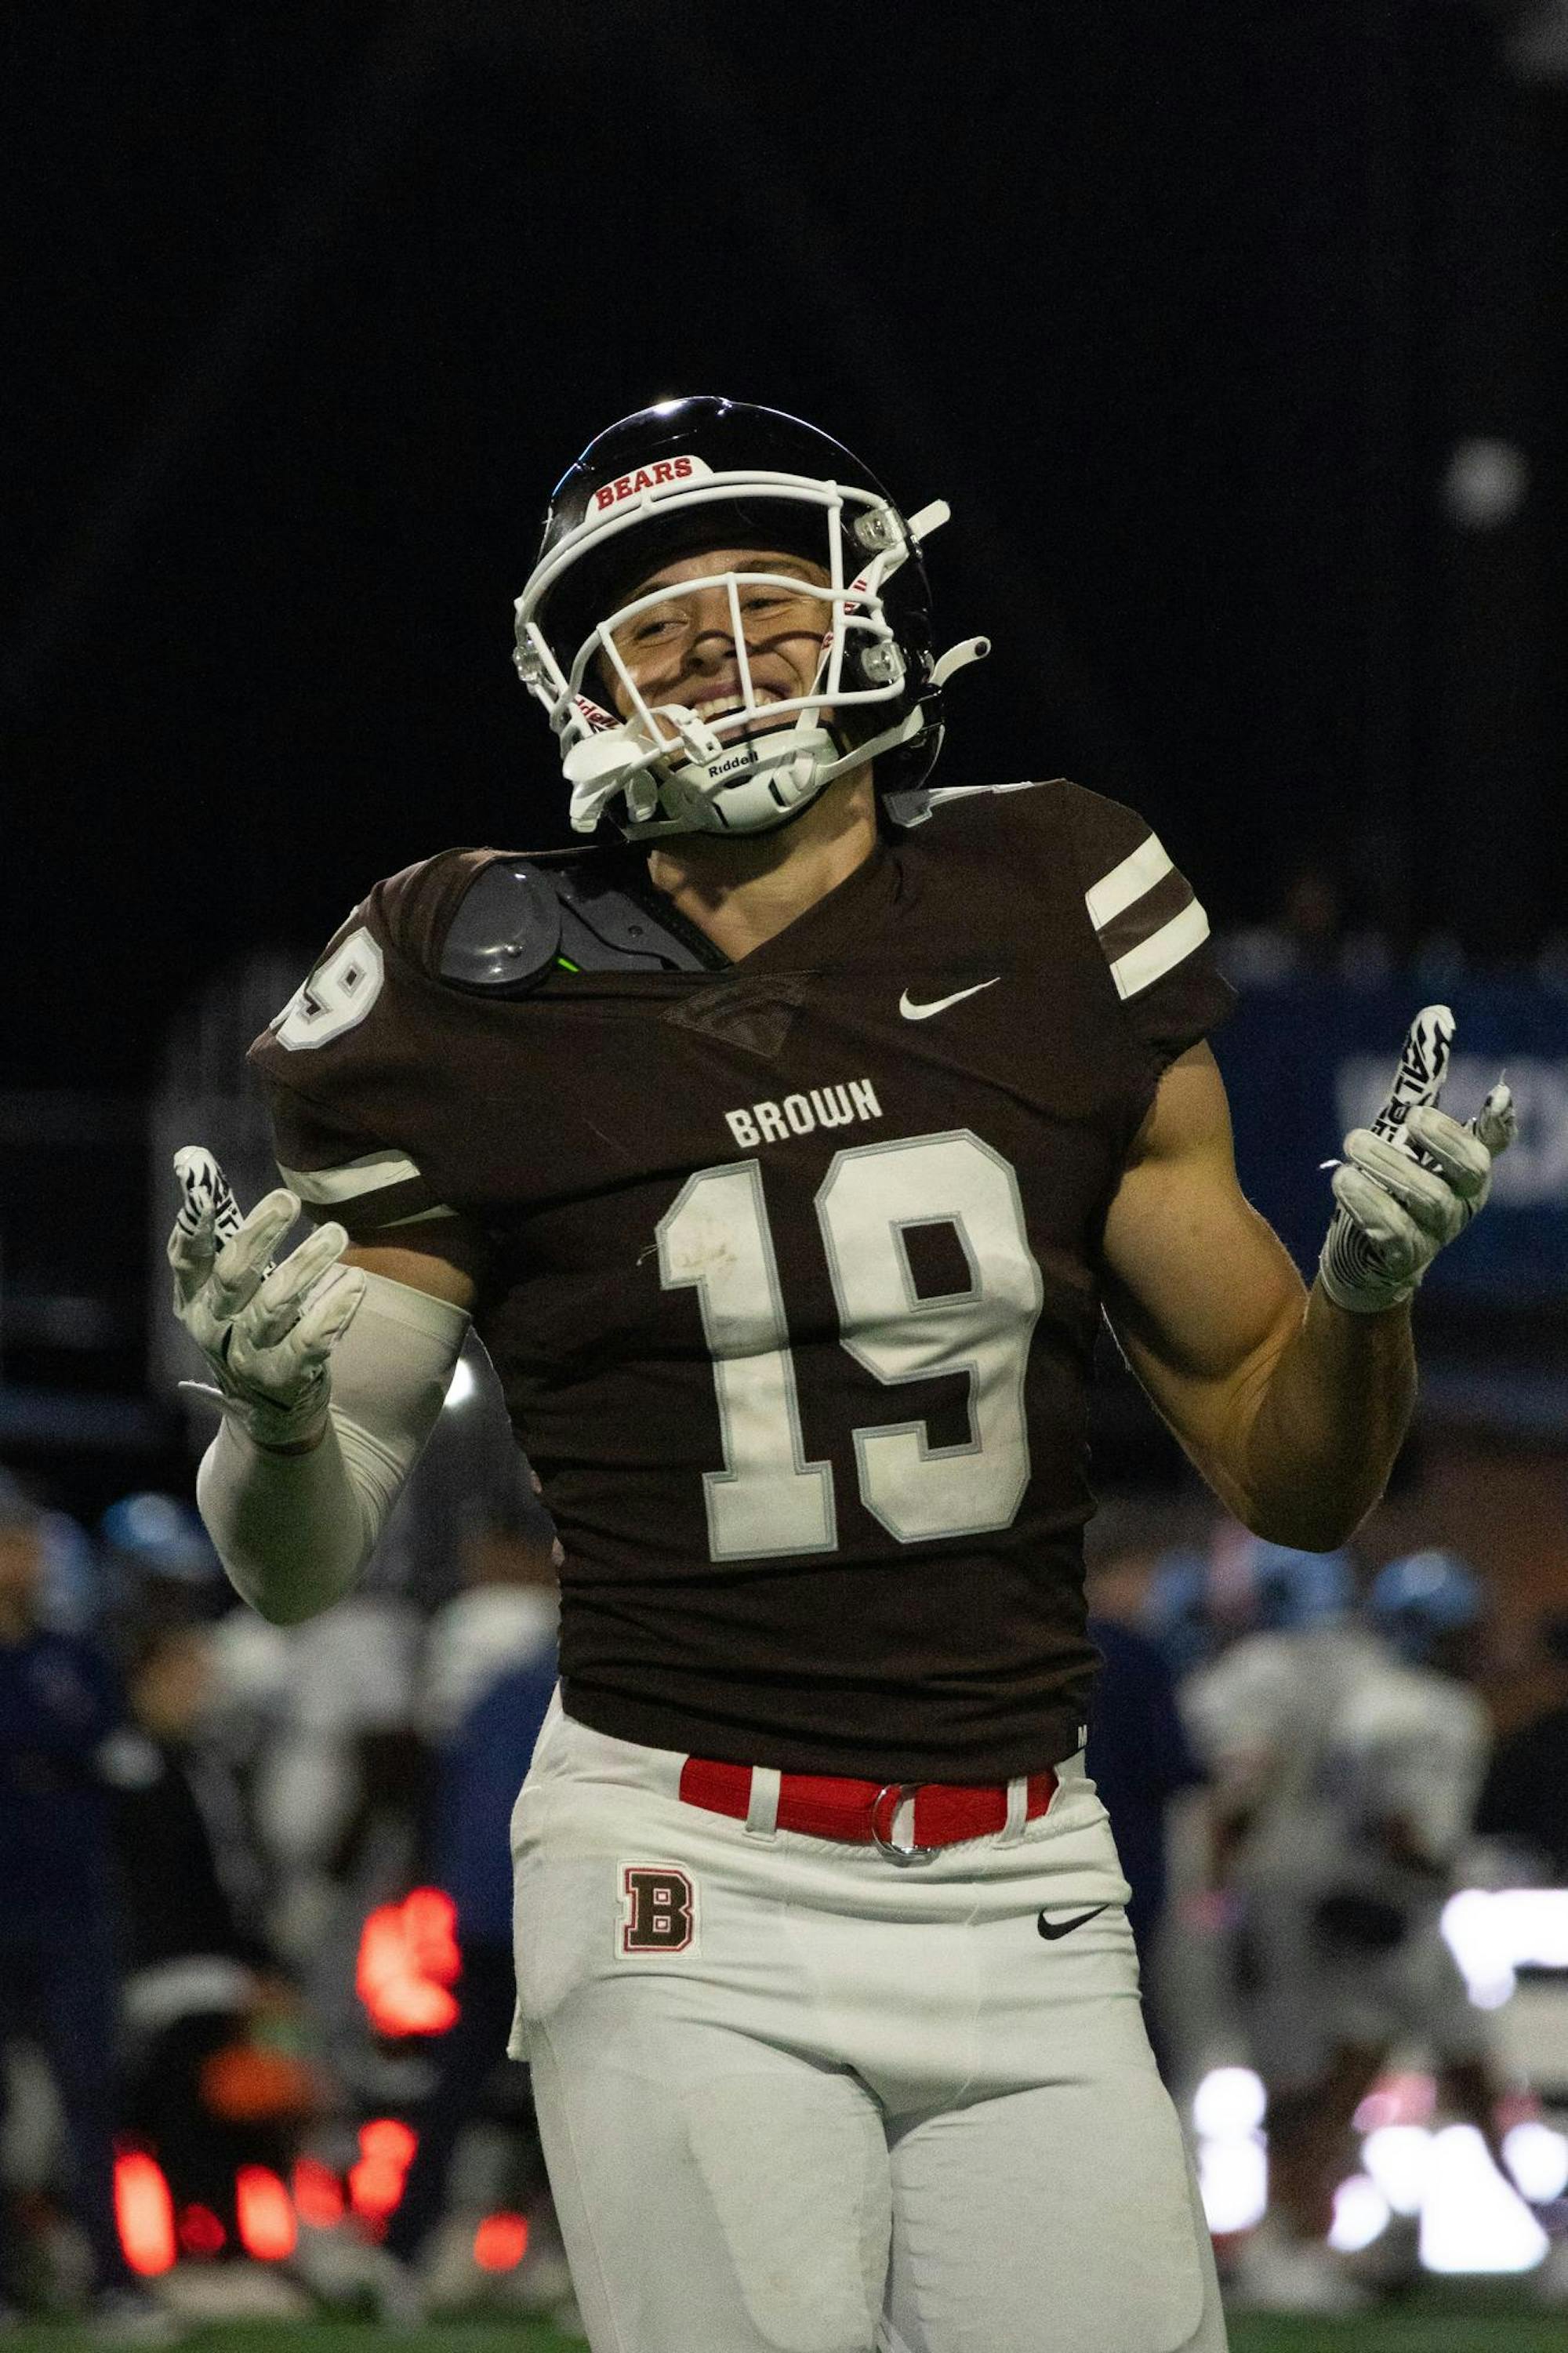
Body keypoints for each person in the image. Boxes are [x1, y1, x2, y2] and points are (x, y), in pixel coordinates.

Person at [166, 397, 1517, 2353]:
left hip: (1024, 1864)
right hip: (681, 1868)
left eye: (767, 595)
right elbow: (293, 1556)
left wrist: (1367, 1290)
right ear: (574, 673)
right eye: (659, 616)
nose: (723, 644)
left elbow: (1287, 1467)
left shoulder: (1055, 896)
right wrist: (278, 1424)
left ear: (876, 612)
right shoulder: (456, 980)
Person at [1185, 1542, 1500, 2313]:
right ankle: (1285, 2237)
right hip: (1346, 1900)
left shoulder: (1255, 1673)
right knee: (1319, 2077)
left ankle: (1295, 2233)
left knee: (1299, 2076)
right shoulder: (1378, 1676)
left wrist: (1211, 1888)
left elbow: (1236, 1793)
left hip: (1291, 1897)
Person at [0, 1473, 177, 2340]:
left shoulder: (74, 1655)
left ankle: (111, 2276)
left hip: (70, 1910)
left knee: (90, 2099)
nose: (26, 1559)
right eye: (12, 1541)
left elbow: (119, 1762)